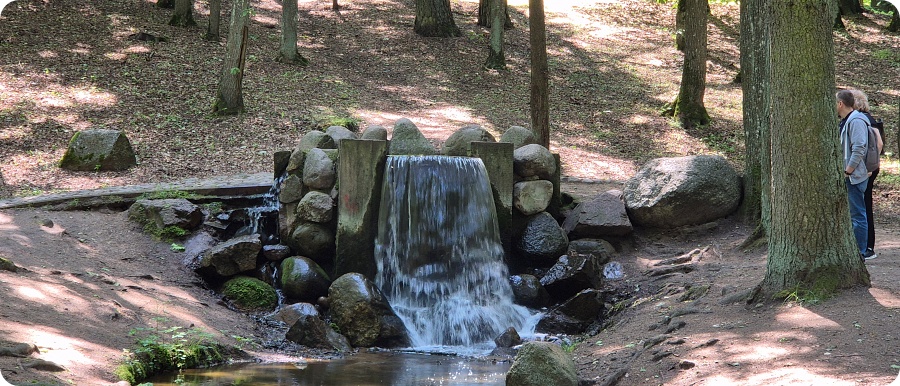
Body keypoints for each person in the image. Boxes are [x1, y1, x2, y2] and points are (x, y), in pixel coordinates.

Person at [850, 89, 883, 260]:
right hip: (866, 168)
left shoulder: (864, 120)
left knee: (863, 206)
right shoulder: (863, 119)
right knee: (862, 205)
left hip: (866, 169)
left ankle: (868, 247)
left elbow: (878, 143)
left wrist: (870, 167)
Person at [837, 89, 870, 260]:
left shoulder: (856, 120)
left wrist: (847, 170)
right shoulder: (846, 120)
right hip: (850, 174)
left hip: (854, 175)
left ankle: (860, 253)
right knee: (853, 213)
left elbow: (859, 148)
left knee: (857, 214)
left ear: (840, 104)